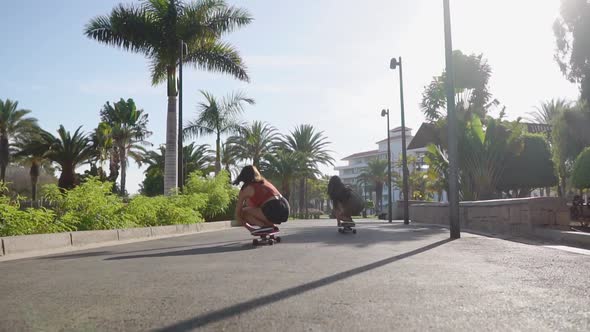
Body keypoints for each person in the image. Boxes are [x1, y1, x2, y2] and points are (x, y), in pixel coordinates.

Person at [233, 165, 290, 232]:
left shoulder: (246, 189)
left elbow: (238, 212)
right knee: (253, 207)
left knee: (243, 212)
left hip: (273, 208)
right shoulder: (264, 182)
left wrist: (250, 229)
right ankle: (271, 226)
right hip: (286, 208)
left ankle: (264, 226)